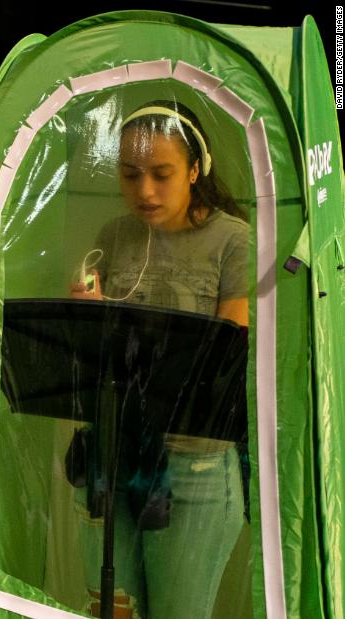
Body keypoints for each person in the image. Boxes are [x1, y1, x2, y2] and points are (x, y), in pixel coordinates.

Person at [67, 100, 249, 619]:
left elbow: (228, 355)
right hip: (112, 451)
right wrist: (84, 319)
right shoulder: (114, 237)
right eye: (130, 175)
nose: (144, 191)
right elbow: (90, 349)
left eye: (162, 175)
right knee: (111, 608)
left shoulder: (234, 241)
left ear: (196, 170)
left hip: (194, 462)